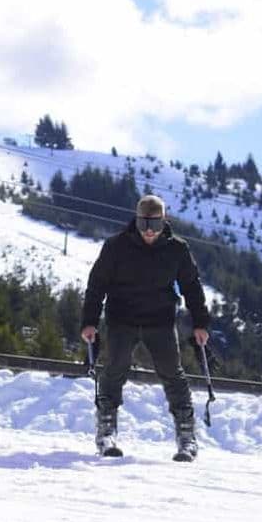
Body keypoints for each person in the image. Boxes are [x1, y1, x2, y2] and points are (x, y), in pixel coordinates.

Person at [80, 195, 210, 462]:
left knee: (173, 374)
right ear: (135, 221)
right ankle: (106, 432)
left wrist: (200, 323)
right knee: (114, 370)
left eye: (155, 223)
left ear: (164, 221)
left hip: (159, 321)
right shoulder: (116, 247)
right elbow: (96, 285)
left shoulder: (178, 249)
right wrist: (89, 321)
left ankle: (187, 437)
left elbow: (192, 288)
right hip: (121, 319)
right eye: (143, 223)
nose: (149, 230)